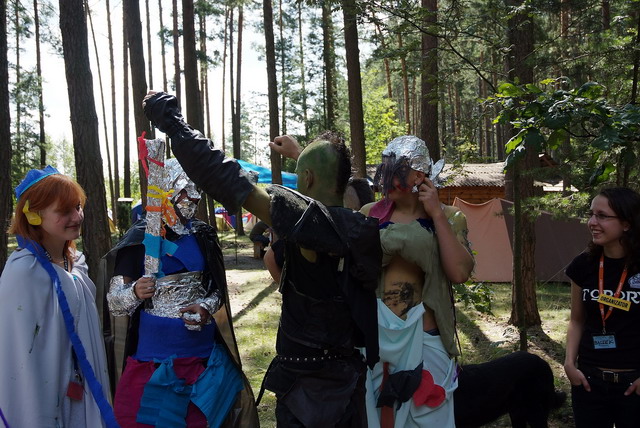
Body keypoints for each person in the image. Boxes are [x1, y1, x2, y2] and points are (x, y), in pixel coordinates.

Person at [143, 91, 381, 428]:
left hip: (313, 397)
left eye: (300, 174)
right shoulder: (359, 226)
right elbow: (332, 192)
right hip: (347, 383)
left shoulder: (314, 226)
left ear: (308, 178)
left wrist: (174, 124)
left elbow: (230, 180)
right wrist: (303, 155)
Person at [105, 158, 258, 428]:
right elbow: (115, 301)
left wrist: (206, 307)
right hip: (151, 363)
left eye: (197, 190)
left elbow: (216, 290)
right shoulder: (139, 239)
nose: (194, 197)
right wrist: (135, 291)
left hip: (202, 362)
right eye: (185, 189)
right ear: (168, 190)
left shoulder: (203, 236)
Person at [360, 135, 474, 427]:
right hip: (376, 339)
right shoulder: (369, 214)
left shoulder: (450, 217)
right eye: (385, 170)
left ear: (419, 176)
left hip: (426, 339)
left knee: (427, 418)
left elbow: (459, 273)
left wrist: (436, 214)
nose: (386, 180)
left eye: (396, 171)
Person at [0, 166, 115, 427]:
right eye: (64, 211)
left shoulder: (76, 263)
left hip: (83, 394)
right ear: (34, 215)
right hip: (45, 397)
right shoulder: (23, 272)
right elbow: (19, 356)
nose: (77, 216)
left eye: (78, 206)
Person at [564, 187, 640, 428]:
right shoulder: (583, 265)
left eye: (602, 216)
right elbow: (577, 320)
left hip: (634, 383)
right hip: (589, 381)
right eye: (591, 214)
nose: (592, 222)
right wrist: (569, 363)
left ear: (626, 223)